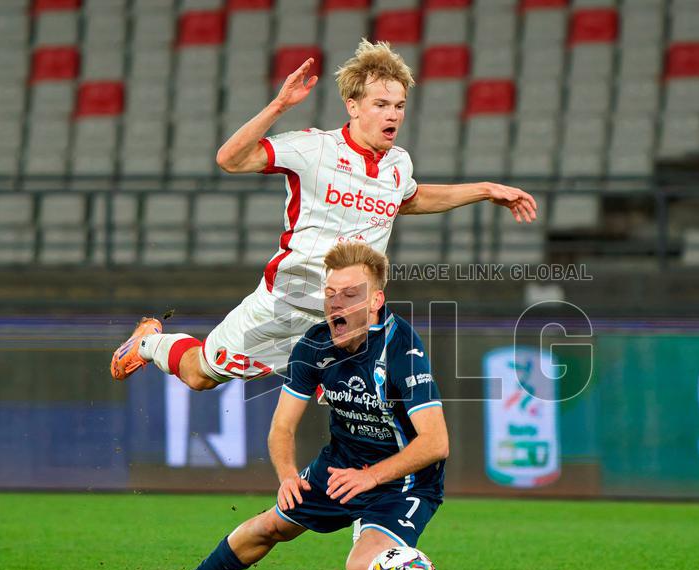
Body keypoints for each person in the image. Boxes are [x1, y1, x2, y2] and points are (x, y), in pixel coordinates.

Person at [110, 39, 536, 390]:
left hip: (348, 317)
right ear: (353, 106)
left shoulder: (398, 164)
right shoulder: (314, 149)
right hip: (285, 305)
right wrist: (279, 106)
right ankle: (149, 343)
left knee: (366, 403)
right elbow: (230, 159)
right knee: (201, 374)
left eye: (400, 105)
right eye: (382, 104)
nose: (393, 114)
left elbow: (410, 199)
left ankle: (341, 489)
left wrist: (484, 190)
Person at [128, 243, 447, 570]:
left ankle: (370, 552)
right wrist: (287, 477)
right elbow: (281, 427)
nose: (336, 304)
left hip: (403, 480)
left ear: (376, 300)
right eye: (330, 295)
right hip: (342, 466)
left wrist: (372, 478)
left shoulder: (402, 348)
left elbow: (436, 443)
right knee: (269, 526)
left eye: (349, 295)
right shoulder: (314, 344)